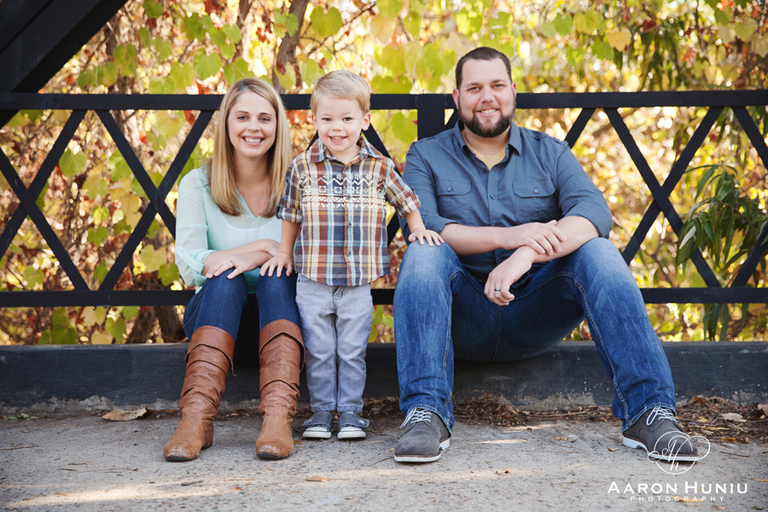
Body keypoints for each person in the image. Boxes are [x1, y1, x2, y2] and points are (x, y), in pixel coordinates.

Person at [392, 47, 700, 464]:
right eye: (475, 88)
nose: (487, 97)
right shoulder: (425, 155)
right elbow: (429, 225)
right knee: (424, 251)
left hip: (534, 312)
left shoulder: (550, 153)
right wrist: (514, 233)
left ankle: (649, 412)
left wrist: (524, 254)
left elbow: (593, 214)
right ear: (456, 98)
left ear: (513, 92)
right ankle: (425, 413)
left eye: (497, 85)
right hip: (461, 314)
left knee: (598, 252)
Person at [261, 70, 442, 441]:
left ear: (365, 120)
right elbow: (291, 214)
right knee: (320, 349)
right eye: (327, 119)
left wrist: (418, 228)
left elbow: (406, 200)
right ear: (314, 120)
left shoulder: (379, 168)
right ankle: (322, 413)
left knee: (352, 350)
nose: (336, 127)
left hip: (357, 283)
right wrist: (284, 253)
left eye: (346, 118)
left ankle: (351, 415)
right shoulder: (302, 167)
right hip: (312, 278)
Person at [164, 78, 304, 462]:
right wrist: (265, 247)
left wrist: (270, 257)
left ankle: (277, 420)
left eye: (264, 118)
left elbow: (309, 259)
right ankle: (195, 420)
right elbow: (193, 261)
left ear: (278, 126)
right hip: (216, 321)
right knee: (226, 280)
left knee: (277, 278)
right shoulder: (198, 184)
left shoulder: (298, 182)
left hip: (281, 327)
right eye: (242, 117)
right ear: (227, 124)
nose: (253, 128)